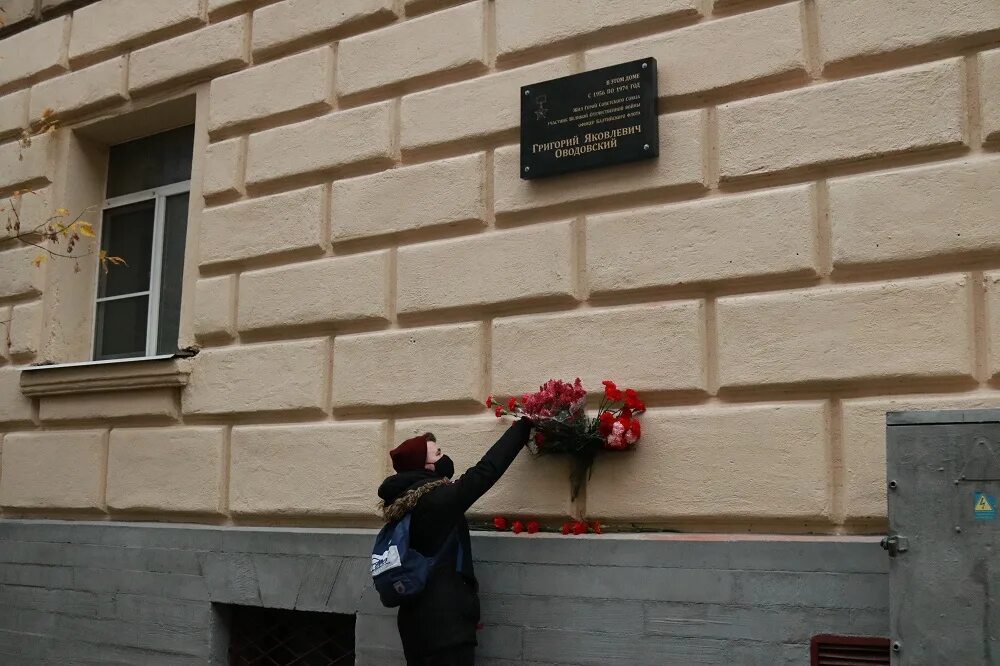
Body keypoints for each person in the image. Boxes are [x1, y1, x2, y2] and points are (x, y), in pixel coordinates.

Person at [377, 418, 533, 666]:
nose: (444, 456)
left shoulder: (405, 504)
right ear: (427, 466)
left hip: (416, 627)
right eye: (438, 453)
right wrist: (523, 428)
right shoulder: (435, 501)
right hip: (444, 631)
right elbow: (485, 472)